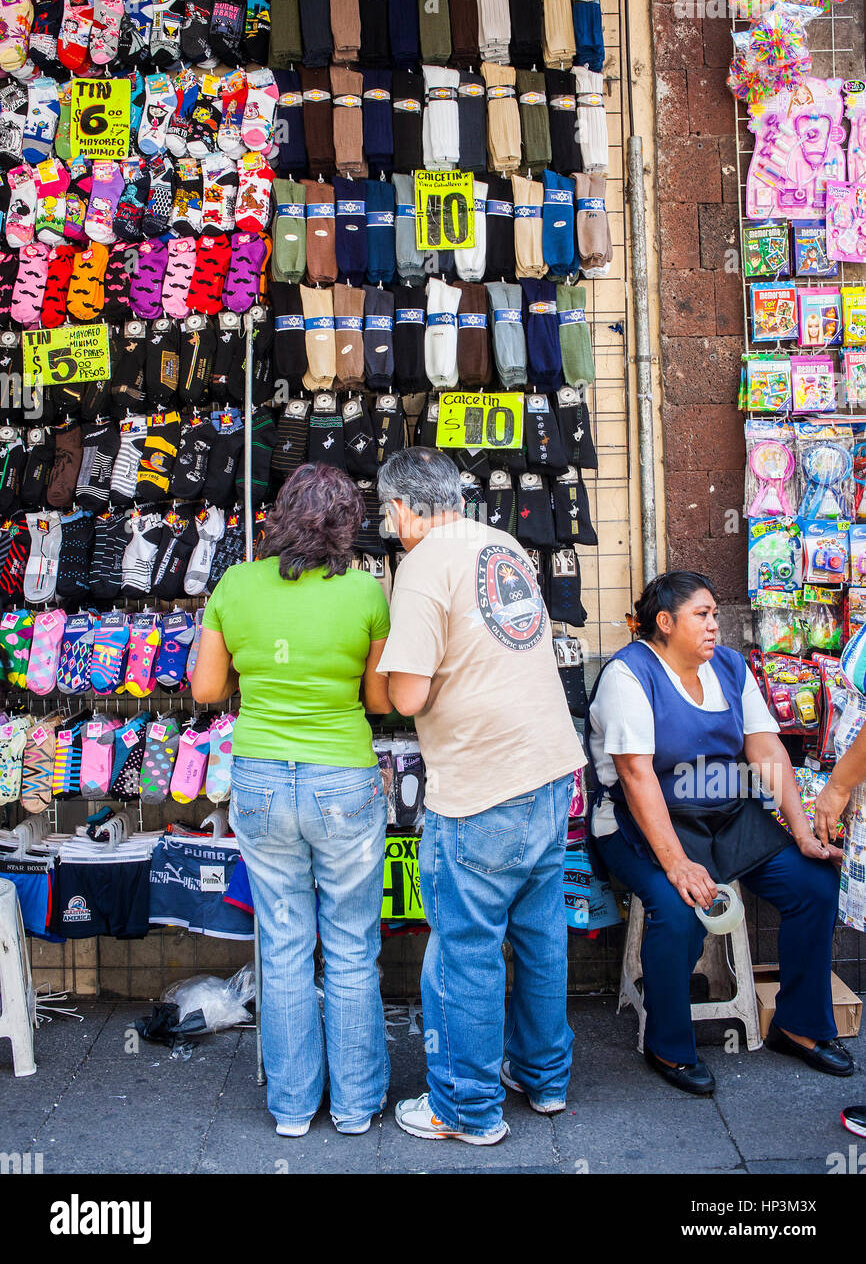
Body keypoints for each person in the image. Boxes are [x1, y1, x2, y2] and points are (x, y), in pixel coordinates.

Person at [376, 447, 586, 1145]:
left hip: (482, 783)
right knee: (539, 933)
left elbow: (406, 692)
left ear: (405, 508)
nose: (389, 522)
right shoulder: (501, 544)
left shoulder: (422, 566)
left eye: (389, 510)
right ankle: (544, 1078)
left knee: (464, 948)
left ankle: (465, 1108)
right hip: (550, 766)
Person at [587, 571, 852, 1096]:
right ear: (664, 623)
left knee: (813, 885)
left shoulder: (730, 667)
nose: (714, 626)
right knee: (678, 908)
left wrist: (800, 832)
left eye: (714, 615)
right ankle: (667, 1043)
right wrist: (677, 864)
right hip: (639, 822)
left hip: (726, 815)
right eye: (701, 616)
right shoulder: (630, 674)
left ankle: (799, 1025)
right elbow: (638, 778)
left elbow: (766, 751)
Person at [191, 464, 392, 1138]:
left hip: (260, 781)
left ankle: (292, 1107)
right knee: (352, 946)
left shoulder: (234, 585)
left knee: (281, 944)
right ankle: (358, 1106)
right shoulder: (367, 593)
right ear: (347, 526)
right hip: (342, 778)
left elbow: (206, 690)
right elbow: (378, 702)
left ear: (278, 517)